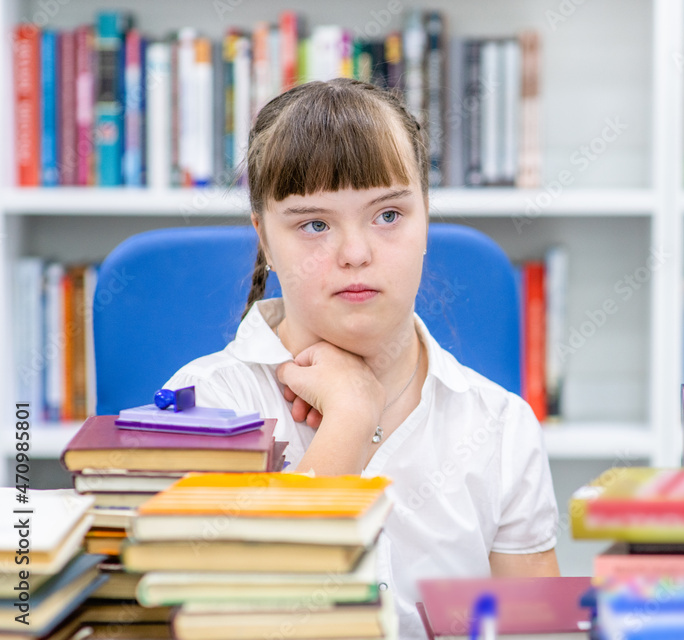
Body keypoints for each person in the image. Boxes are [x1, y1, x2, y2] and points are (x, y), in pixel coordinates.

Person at [163, 78, 561, 637]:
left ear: (426, 219)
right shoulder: (204, 408)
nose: (356, 253)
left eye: (389, 215)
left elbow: (538, 631)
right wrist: (349, 420)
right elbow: (246, 624)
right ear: (265, 241)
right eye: (315, 225)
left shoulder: (498, 424)